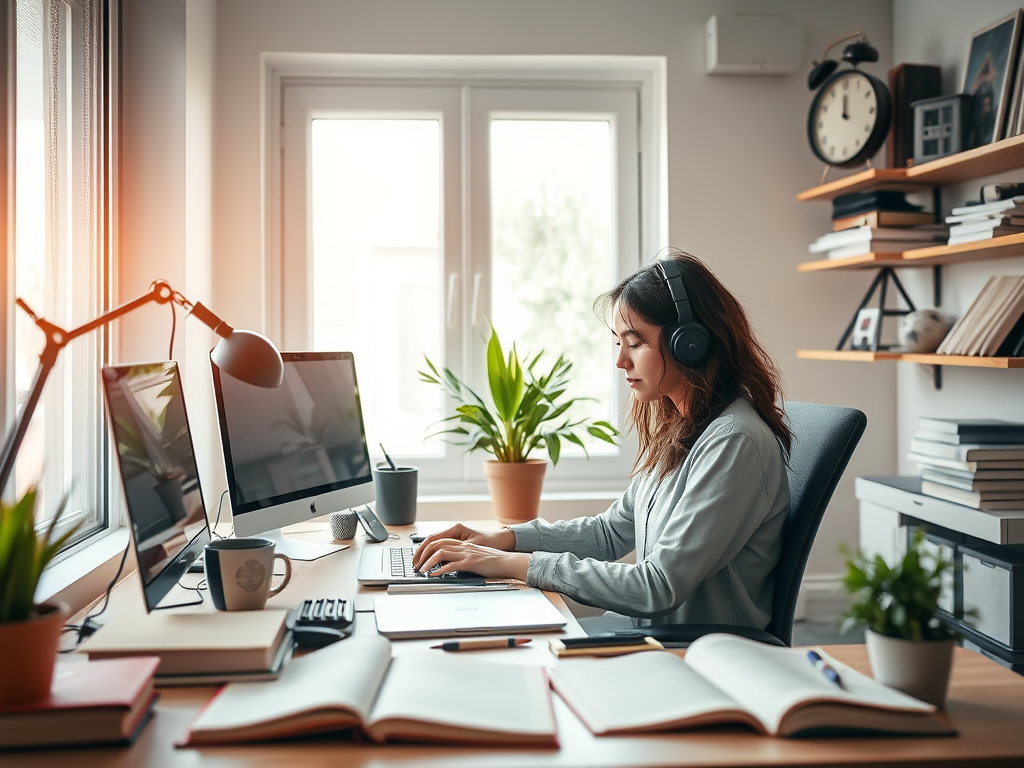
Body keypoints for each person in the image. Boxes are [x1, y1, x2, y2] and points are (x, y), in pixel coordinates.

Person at [413, 251, 792, 629]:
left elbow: (656, 586)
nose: (621, 361)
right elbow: (609, 532)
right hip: (650, 635)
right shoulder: (686, 428)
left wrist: (509, 564)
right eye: (618, 343)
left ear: (689, 343)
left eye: (636, 343)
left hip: (699, 652)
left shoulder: (734, 442)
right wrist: (502, 540)